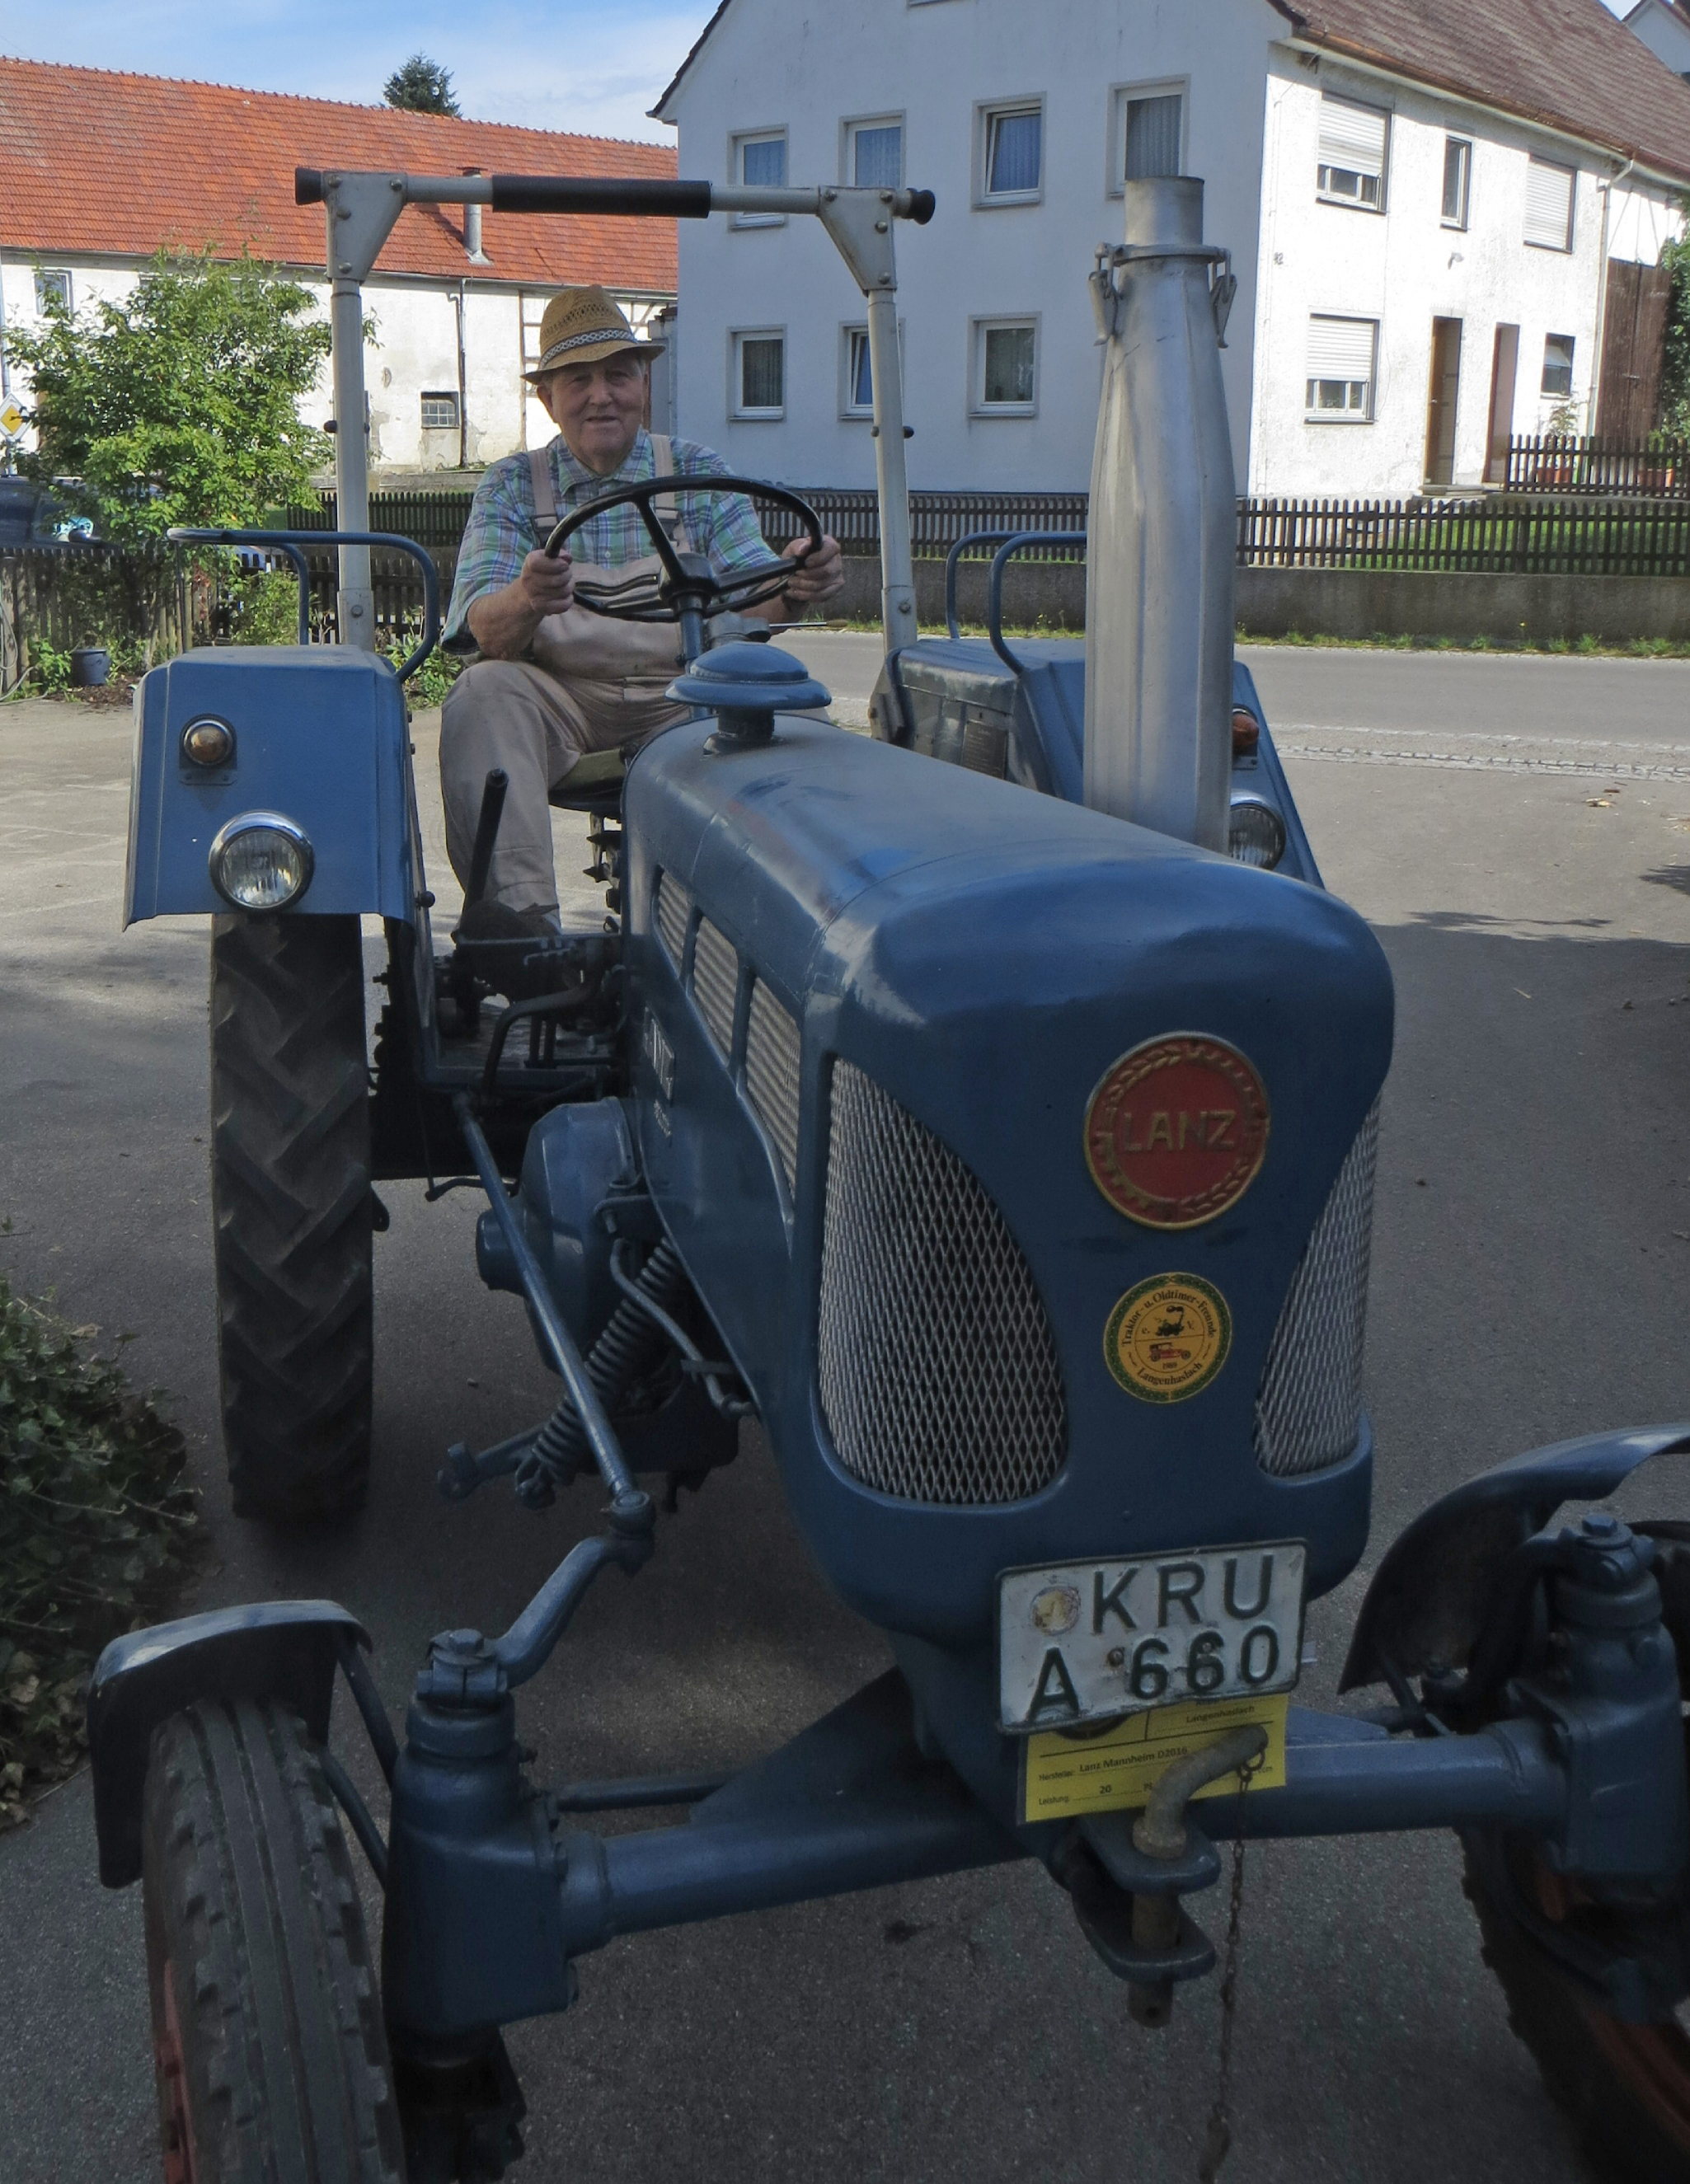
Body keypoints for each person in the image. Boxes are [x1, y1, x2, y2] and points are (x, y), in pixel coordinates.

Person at [439, 286, 844, 942]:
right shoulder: (512, 486)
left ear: (644, 384)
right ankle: (522, 930)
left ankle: (792, 928)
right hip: (566, 705)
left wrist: (798, 578)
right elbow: (485, 628)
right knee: (484, 692)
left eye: (617, 375)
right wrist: (525, 598)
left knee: (790, 702)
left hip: (686, 695)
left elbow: (755, 589)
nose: (601, 395)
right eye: (579, 380)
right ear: (547, 398)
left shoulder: (697, 472)